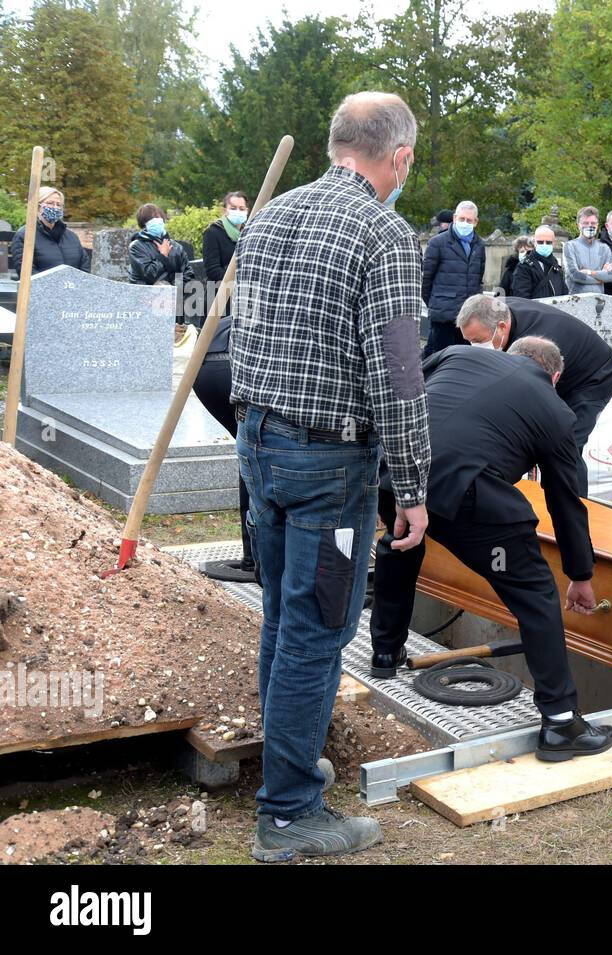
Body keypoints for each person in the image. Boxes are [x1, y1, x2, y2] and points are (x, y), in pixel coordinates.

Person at [231, 91, 432, 861]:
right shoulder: (383, 234)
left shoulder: (271, 215)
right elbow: (400, 375)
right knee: (315, 631)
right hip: (327, 466)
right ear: (399, 157)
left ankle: (288, 770)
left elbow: (245, 329)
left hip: (261, 443)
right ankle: (287, 813)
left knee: (286, 621)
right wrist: (412, 485)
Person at [368, 339, 612, 760]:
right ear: (554, 377)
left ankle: (384, 651)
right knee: (536, 594)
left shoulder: (457, 354)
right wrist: (580, 574)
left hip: (396, 473)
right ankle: (561, 724)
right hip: (465, 496)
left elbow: (403, 393)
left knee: (401, 544)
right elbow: (564, 500)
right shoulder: (556, 411)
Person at [457, 294, 612, 496]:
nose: (475, 347)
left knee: (566, 445)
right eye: (469, 340)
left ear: (502, 327)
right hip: (557, 367)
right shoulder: (495, 312)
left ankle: (575, 507)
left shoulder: (537, 344)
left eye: (479, 340)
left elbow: (532, 398)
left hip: (591, 377)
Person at [192, 313, 255, 582]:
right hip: (236, 368)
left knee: (250, 456)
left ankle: (251, 556)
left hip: (203, 366)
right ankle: (254, 557)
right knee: (256, 455)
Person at [421, 199, 485, 356]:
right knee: (439, 359)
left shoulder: (479, 245)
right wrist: (436, 303)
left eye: (469, 220)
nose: (465, 222)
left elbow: (478, 278)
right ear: (455, 218)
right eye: (461, 219)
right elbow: (425, 279)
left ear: (475, 222)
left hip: (468, 316)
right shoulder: (438, 243)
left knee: (463, 360)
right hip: (443, 315)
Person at [8, 187, 90, 276]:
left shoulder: (71, 236)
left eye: (58, 204)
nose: (55, 207)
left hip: (73, 288)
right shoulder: (25, 236)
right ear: (37, 207)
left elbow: (84, 265)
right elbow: (26, 272)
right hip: (42, 288)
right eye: (50, 203)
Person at [201, 191, 248, 316]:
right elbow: (212, 270)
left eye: (242, 208)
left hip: (242, 297)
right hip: (218, 297)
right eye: (233, 208)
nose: (238, 211)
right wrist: (238, 280)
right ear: (225, 210)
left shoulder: (248, 233)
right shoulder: (213, 232)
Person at [127, 203, 194, 286]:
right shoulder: (136, 247)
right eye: (151, 219)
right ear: (144, 224)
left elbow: (187, 273)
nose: (156, 220)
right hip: (147, 296)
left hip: (174, 295)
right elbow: (148, 275)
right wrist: (163, 256)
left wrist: (173, 289)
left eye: (158, 217)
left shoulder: (176, 247)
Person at [565, 206, 612, 294]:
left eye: (593, 223)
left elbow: (611, 276)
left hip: (599, 300)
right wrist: (601, 278)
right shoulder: (569, 246)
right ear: (578, 225)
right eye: (585, 223)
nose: (589, 226)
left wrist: (589, 272)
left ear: (597, 225)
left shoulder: (605, 248)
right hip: (575, 300)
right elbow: (575, 275)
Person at [511, 226, 566, 299]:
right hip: (535, 310)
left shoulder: (557, 267)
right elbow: (521, 298)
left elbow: (564, 294)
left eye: (548, 242)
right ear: (534, 242)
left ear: (554, 243)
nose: (544, 245)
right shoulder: (524, 267)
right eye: (540, 242)